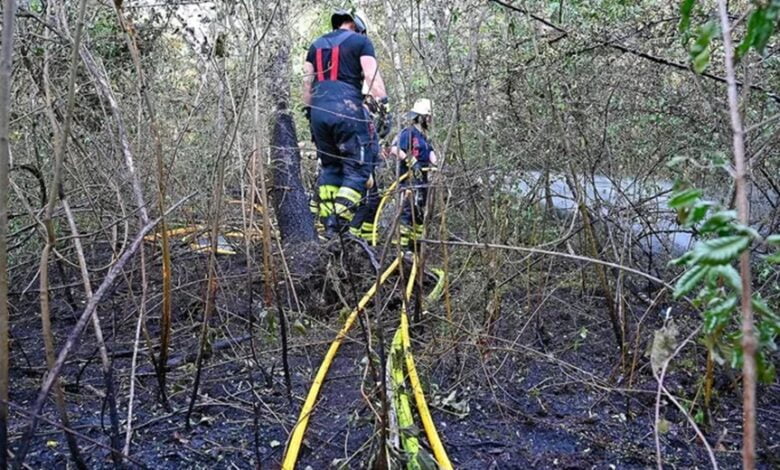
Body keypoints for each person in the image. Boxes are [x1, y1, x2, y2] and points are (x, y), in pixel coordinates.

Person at [302, 8, 391, 238]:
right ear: (357, 26)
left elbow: (307, 84)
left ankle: (328, 226)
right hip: (348, 111)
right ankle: (339, 224)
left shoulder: (315, 45)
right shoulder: (361, 42)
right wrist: (383, 106)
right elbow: (371, 77)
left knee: (331, 168)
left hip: (318, 113)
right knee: (358, 171)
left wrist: (310, 114)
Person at [390, 99, 438, 250]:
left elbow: (429, 152)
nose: (429, 120)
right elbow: (395, 149)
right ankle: (401, 248)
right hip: (409, 179)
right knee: (407, 211)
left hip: (422, 179)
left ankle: (415, 248)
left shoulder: (423, 136)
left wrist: (436, 164)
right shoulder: (408, 133)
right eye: (428, 116)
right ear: (421, 116)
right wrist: (412, 161)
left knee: (419, 213)